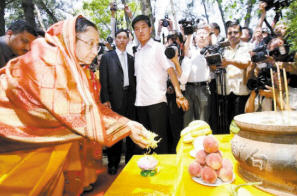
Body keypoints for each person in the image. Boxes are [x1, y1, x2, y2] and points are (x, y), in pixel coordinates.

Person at [0, 15, 152, 195]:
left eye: (97, 45)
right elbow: (72, 111)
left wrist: (126, 124)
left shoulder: (68, 64)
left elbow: (82, 106)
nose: (95, 51)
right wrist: (125, 126)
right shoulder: (47, 60)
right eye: (90, 43)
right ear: (71, 39)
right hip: (14, 144)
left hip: (39, 146)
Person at [132, 15, 188, 154]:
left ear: (150, 29)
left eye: (143, 27)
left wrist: (179, 94)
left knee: (159, 141)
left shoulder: (158, 47)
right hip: (140, 103)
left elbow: (171, 71)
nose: (140, 31)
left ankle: (163, 171)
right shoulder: (137, 52)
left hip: (156, 102)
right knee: (145, 142)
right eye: (137, 29)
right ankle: (149, 170)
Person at [100, 29, 136, 175]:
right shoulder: (107, 57)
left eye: (124, 38)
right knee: (115, 132)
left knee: (130, 131)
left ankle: (129, 161)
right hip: (114, 99)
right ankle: (113, 163)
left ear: (128, 40)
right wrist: (105, 99)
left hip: (130, 98)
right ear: (115, 40)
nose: (121, 40)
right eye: (119, 37)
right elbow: (103, 79)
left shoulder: (131, 58)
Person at [217, 20, 251, 133]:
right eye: (230, 33)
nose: (232, 35)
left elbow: (246, 63)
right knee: (224, 123)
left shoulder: (247, 47)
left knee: (239, 123)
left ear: (240, 34)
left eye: (235, 32)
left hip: (240, 91)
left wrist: (230, 62)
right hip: (224, 91)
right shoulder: (221, 48)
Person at [179, 25, 212, 127]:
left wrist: (210, 32)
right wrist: (188, 35)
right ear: (195, 38)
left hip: (203, 89)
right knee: (188, 119)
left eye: (204, 34)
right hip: (189, 88)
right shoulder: (191, 50)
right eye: (199, 34)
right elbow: (185, 49)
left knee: (203, 119)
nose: (202, 36)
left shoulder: (210, 51)